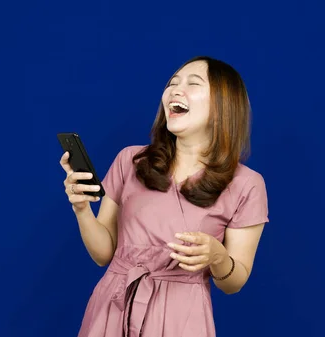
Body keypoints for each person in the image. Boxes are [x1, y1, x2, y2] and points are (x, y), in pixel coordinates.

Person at [59, 56, 269, 337]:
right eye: (172, 83)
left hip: (181, 317)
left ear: (223, 105)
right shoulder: (130, 160)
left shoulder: (247, 184)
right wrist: (82, 209)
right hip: (112, 307)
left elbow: (234, 283)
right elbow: (103, 254)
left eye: (193, 84)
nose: (175, 90)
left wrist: (217, 256)